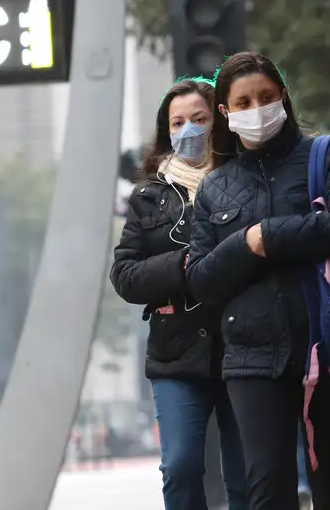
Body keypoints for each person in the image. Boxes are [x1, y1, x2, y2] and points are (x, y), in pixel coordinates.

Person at [187, 51, 330, 510]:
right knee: (267, 491)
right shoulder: (214, 187)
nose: (258, 109)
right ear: (226, 114)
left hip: (328, 349)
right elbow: (202, 282)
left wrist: (270, 236)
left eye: (266, 97)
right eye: (245, 101)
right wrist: (245, 243)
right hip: (252, 358)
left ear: (284, 100)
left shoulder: (326, 155)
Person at [110, 78, 248, 510]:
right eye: (177, 122)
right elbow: (126, 274)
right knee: (181, 467)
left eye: (199, 119)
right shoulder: (148, 197)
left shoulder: (247, 181)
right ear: (165, 130)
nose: (188, 129)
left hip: (243, 346)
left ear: (219, 122)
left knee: (248, 473)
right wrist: (182, 265)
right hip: (175, 351)